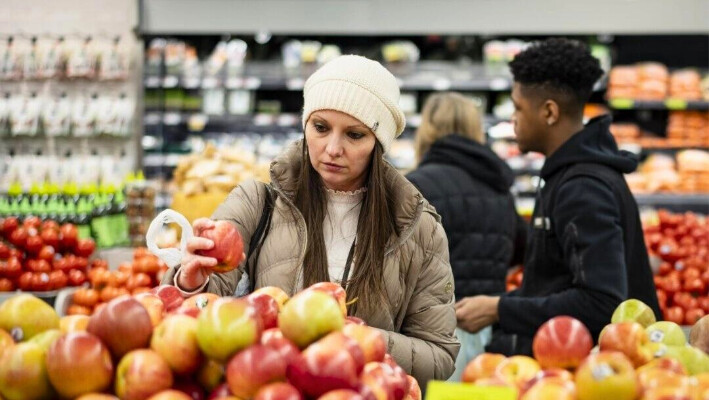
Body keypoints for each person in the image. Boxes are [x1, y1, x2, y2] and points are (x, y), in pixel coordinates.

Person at [161, 55, 460, 384]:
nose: (332, 148)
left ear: (379, 142)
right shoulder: (255, 202)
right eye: (320, 128)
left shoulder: (419, 229)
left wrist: (351, 336)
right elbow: (187, 319)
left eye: (354, 135)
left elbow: (440, 356)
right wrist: (190, 283)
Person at [454, 38, 661, 356]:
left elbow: (601, 301)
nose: (513, 119)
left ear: (549, 111)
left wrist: (500, 308)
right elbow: (561, 284)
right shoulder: (569, 176)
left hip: (594, 374)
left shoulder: (582, 188)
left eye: (518, 107)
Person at [405, 92, 526, 379]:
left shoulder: (415, 186)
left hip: (430, 338)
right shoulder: (500, 189)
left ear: (428, 130)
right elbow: (523, 251)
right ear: (475, 130)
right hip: (489, 338)